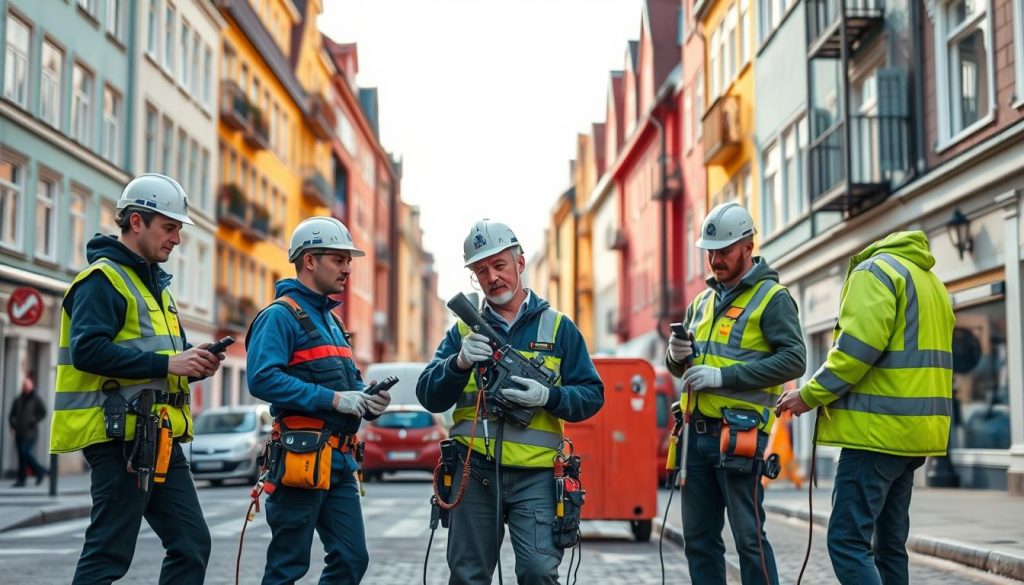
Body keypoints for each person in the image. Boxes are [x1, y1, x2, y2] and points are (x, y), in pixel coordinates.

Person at [49, 173, 224, 584]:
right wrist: (169, 364)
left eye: (178, 229)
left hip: (157, 436)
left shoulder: (157, 288)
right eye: (169, 227)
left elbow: (158, 362)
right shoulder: (102, 280)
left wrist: (193, 366)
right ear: (136, 222)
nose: (176, 239)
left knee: (191, 544)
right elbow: (89, 351)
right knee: (109, 553)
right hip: (118, 439)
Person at [416, 219, 604, 585]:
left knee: (538, 571)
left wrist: (549, 396)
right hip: (475, 471)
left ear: (520, 263)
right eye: (481, 270)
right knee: (468, 575)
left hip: (536, 476)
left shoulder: (559, 327)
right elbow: (428, 394)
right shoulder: (462, 331)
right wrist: (458, 363)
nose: (492, 277)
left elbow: (592, 395)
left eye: (499, 265)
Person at [776, 231, 954, 585]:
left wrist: (808, 395)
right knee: (890, 546)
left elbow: (855, 352)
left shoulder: (875, 273)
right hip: (916, 434)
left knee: (846, 541)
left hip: (875, 433)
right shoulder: (930, 281)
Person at [665, 202, 805, 585]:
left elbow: (794, 361)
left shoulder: (772, 298)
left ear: (748, 245)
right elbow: (683, 368)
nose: (714, 259)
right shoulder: (701, 303)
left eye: (723, 251)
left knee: (748, 537)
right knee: (698, 538)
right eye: (710, 251)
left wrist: (723, 377)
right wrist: (675, 357)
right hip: (696, 436)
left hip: (739, 436)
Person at [247, 216, 391, 584]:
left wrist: (367, 398)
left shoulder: (333, 321)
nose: (348, 269)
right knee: (287, 566)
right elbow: (262, 379)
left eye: (349, 260)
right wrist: (333, 400)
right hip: (300, 458)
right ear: (309, 260)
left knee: (351, 558)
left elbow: (351, 382)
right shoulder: (280, 316)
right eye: (339, 259)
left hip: (340, 462)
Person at [9, 375, 47, 486]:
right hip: (19, 432)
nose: (25, 387)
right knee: (21, 456)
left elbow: (43, 412)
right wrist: (12, 424)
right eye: (24, 385)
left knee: (25, 452)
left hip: (30, 432)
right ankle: (22, 480)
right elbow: (12, 415)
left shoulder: (36, 399)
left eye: (27, 385)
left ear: (31, 386)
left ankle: (40, 471)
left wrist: (33, 420)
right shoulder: (18, 399)